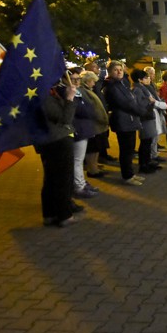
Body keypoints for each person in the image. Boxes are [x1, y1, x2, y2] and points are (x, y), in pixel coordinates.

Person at [35, 74, 78, 227]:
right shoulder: (43, 97)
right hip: (57, 140)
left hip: (51, 140)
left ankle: (50, 213)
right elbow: (64, 119)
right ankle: (64, 215)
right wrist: (70, 98)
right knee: (62, 179)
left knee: (51, 178)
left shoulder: (44, 94)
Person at [102, 61, 146, 185]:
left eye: (120, 69)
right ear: (110, 72)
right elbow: (126, 103)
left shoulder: (122, 83)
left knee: (130, 149)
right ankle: (127, 176)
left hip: (129, 120)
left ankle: (130, 173)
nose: (119, 72)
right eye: (115, 70)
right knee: (126, 150)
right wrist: (141, 111)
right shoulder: (111, 86)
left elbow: (131, 99)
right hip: (123, 121)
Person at [69, 69, 99, 198]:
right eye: (73, 79)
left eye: (78, 79)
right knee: (77, 160)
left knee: (79, 160)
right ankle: (79, 186)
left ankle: (81, 182)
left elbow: (90, 108)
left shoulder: (79, 92)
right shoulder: (70, 94)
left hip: (83, 129)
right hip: (78, 130)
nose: (76, 82)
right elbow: (83, 110)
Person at [131, 69, 162, 175]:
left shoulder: (143, 88)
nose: (148, 79)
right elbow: (140, 104)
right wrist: (150, 102)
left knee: (148, 141)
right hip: (145, 118)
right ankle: (143, 164)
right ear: (140, 80)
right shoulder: (138, 89)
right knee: (145, 142)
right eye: (145, 77)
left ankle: (147, 162)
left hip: (148, 116)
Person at [79, 71, 110, 180]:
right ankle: (92, 169)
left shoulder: (88, 90)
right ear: (87, 81)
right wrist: (100, 118)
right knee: (92, 149)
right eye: (93, 81)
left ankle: (94, 166)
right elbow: (90, 108)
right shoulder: (83, 91)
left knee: (96, 148)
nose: (94, 83)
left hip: (96, 124)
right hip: (92, 124)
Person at [144, 67, 167, 163]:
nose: (152, 76)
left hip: (155, 111)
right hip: (151, 113)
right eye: (151, 74)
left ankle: (154, 154)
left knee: (155, 135)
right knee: (151, 137)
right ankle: (151, 156)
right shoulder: (144, 88)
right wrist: (159, 103)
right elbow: (151, 101)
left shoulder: (151, 85)